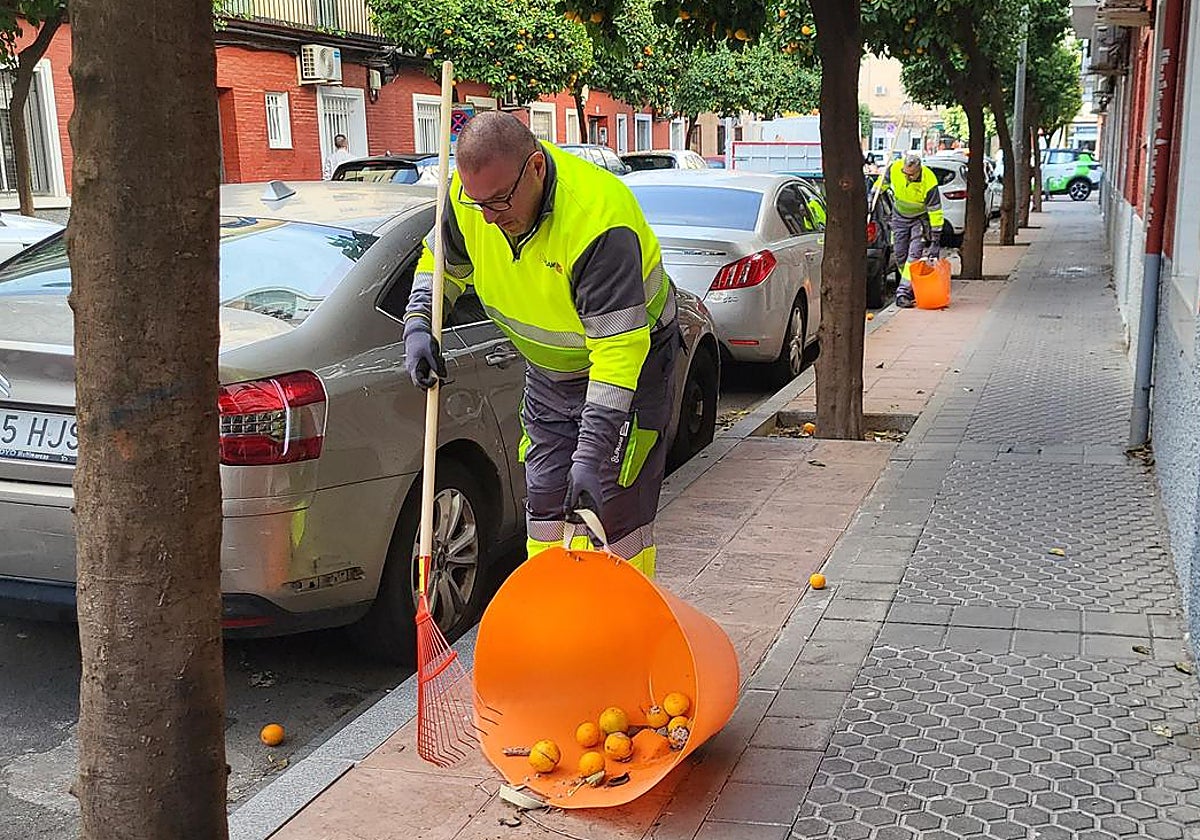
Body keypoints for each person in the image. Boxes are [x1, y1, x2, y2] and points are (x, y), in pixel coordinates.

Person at [402, 111, 680, 578]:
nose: (489, 218)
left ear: (535, 167)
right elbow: (441, 262)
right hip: (551, 374)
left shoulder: (597, 221)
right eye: (479, 203)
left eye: (501, 201)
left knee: (610, 513)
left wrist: (592, 455)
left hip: (632, 369)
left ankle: (627, 635)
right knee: (548, 504)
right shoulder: (470, 200)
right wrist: (419, 323)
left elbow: (617, 354)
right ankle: (550, 627)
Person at [873, 151, 944, 308]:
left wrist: (935, 239)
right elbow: (882, 183)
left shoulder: (929, 180)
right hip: (899, 218)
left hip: (920, 219)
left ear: (919, 170)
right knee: (900, 256)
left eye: (911, 175)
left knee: (914, 256)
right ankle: (911, 284)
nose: (908, 177)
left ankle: (903, 292)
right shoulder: (895, 168)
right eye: (906, 173)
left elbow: (935, 211)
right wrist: (874, 193)